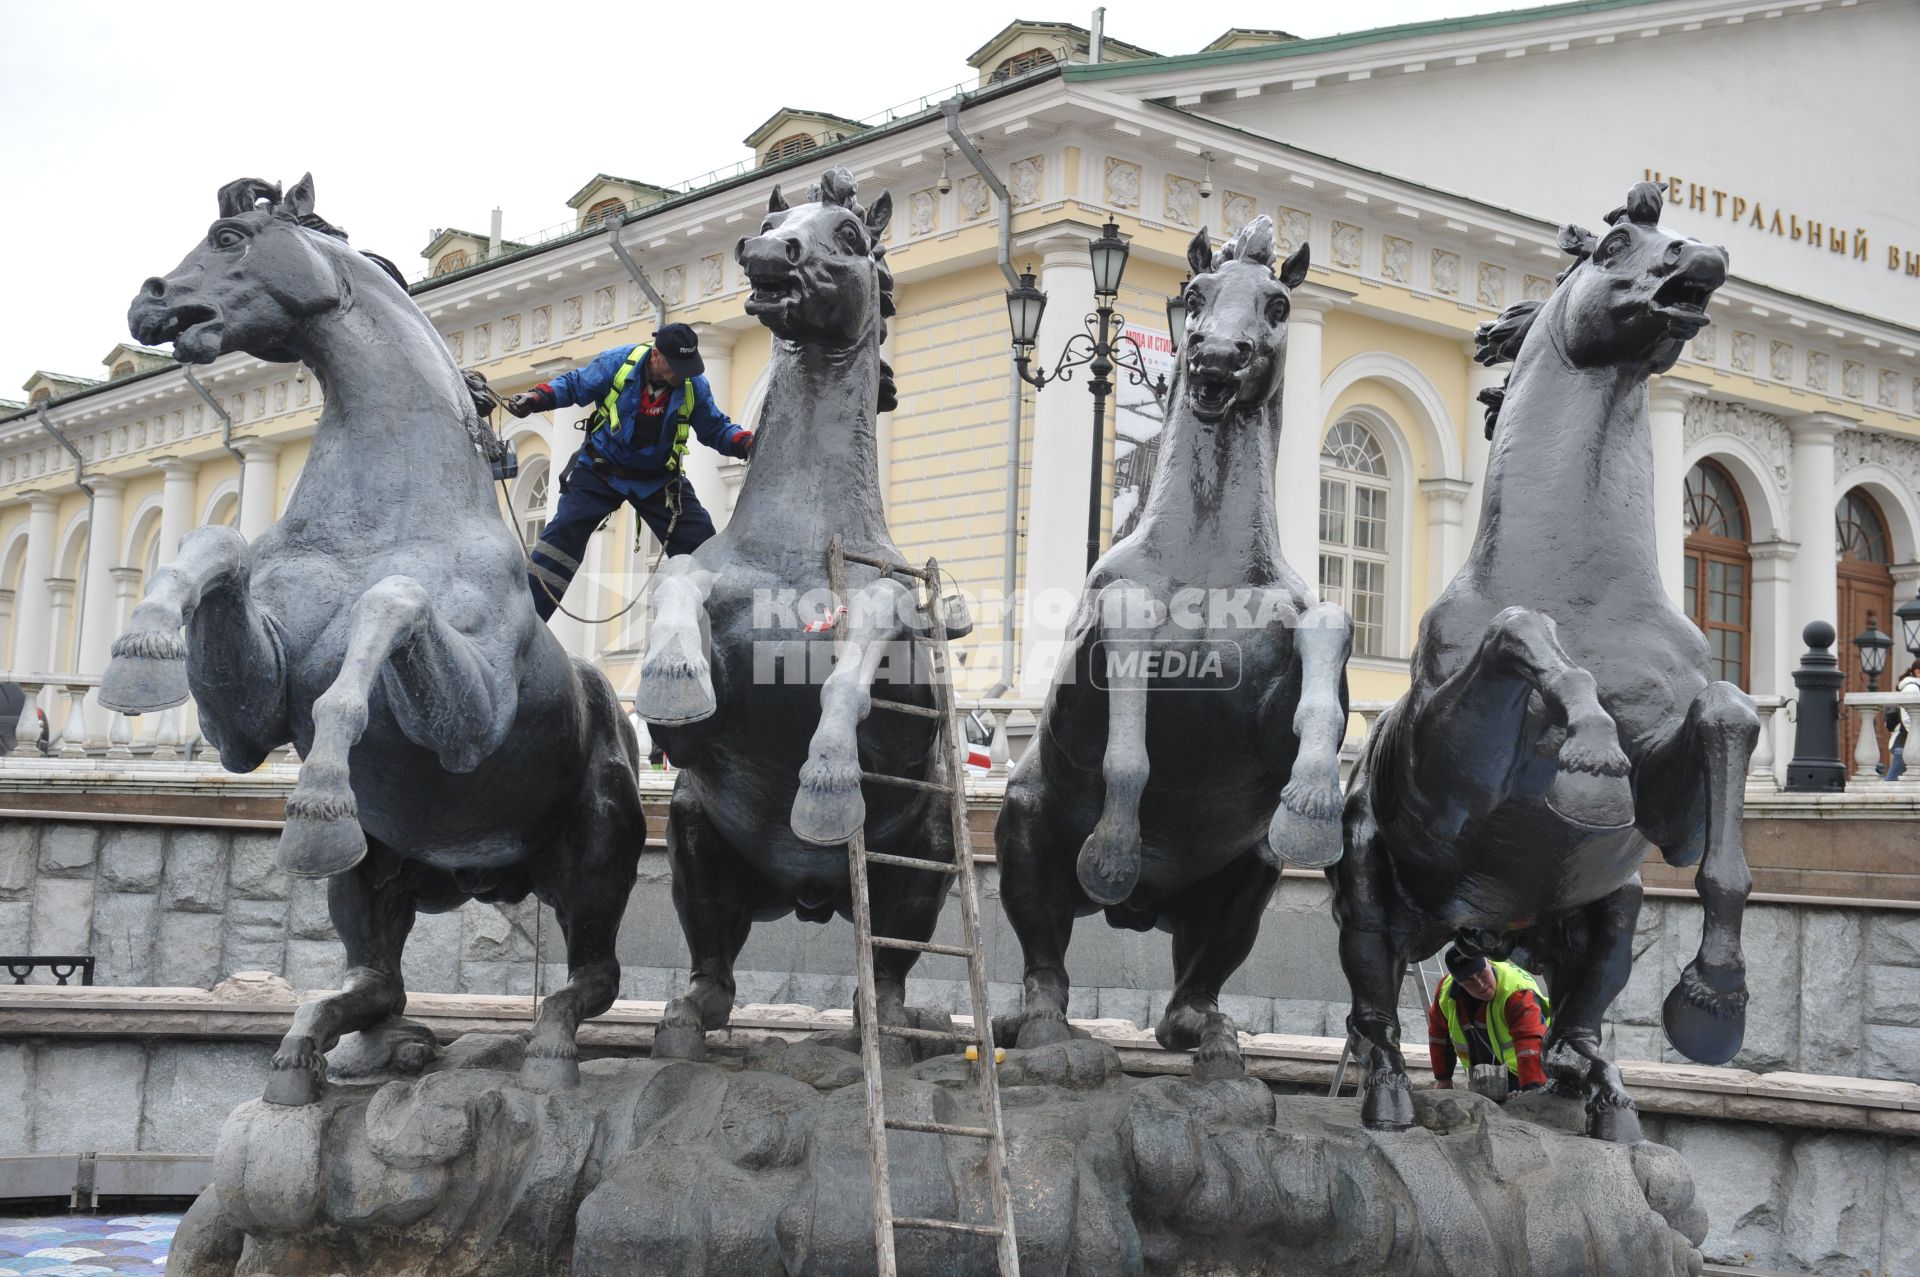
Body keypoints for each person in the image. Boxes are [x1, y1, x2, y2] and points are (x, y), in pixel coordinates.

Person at [505, 323, 753, 620]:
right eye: (676, 366)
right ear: (657, 355)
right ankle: (527, 622)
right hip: (600, 472)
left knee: (701, 545)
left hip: (659, 480)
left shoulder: (692, 385)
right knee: (561, 539)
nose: (681, 374)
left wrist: (745, 443)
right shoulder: (618, 363)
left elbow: (714, 428)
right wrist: (537, 399)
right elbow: (574, 385)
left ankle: (723, 624)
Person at [1427, 947, 1551, 1094]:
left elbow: (1530, 1044)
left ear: (1489, 963)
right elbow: (1439, 1037)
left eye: (1482, 973)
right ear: (1458, 982)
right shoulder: (1445, 993)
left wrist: (1532, 1089)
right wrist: (1443, 1078)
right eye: (1469, 981)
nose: (1481, 984)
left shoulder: (1516, 992)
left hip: (1526, 1071)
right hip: (1483, 1074)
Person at [1885, 658, 1920, 782]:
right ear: (1918, 672)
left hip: (1907, 745)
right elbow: (1907, 718)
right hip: (1904, 744)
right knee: (1891, 782)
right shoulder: (1912, 688)